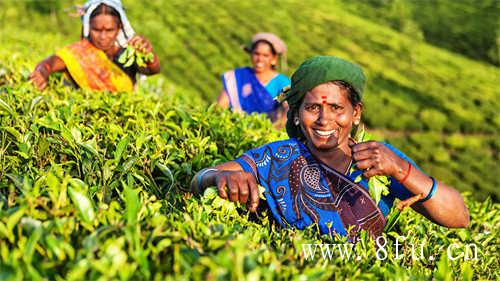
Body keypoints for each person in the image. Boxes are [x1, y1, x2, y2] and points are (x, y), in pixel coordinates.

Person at [193, 56, 469, 239]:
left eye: (337, 108)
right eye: (313, 108)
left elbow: (459, 217)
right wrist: (220, 177)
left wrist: (401, 170)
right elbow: (199, 178)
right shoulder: (278, 156)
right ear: (297, 114)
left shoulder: (379, 160)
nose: (325, 120)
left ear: (356, 112)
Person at [29, 0, 160, 92]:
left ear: (119, 28)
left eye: (109, 30)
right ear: (88, 27)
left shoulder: (125, 54)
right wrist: (41, 72)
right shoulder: (79, 52)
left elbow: (152, 70)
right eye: (97, 30)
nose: (103, 37)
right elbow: (50, 63)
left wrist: (148, 55)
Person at [217, 33, 291, 127]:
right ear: (251, 54)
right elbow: (220, 106)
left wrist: (274, 129)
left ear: (274, 59)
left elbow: (288, 109)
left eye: (265, 55)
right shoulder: (238, 77)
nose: (259, 59)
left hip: (266, 131)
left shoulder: (282, 82)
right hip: (235, 128)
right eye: (256, 54)